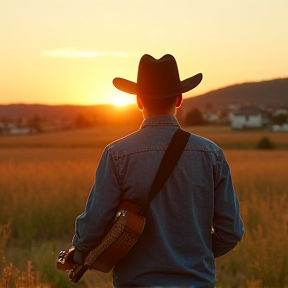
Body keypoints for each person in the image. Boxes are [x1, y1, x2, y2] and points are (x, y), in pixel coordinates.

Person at [71, 54, 244, 287]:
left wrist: (79, 253)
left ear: (139, 101)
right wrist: (192, 255)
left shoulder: (117, 154)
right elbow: (231, 232)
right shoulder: (211, 154)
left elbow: (94, 225)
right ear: (180, 99)